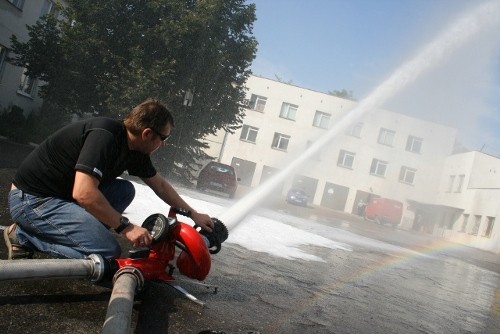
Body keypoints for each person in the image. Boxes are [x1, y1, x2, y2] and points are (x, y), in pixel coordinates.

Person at [3, 98, 214, 260]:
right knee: (107, 252)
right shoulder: (104, 136)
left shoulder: (135, 149)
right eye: (163, 138)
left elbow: (159, 184)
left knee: (125, 190)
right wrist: (126, 227)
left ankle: (82, 236)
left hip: (63, 196)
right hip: (32, 200)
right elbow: (83, 193)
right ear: (147, 133)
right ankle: (22, 236)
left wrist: (193, 213)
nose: (164, 144)